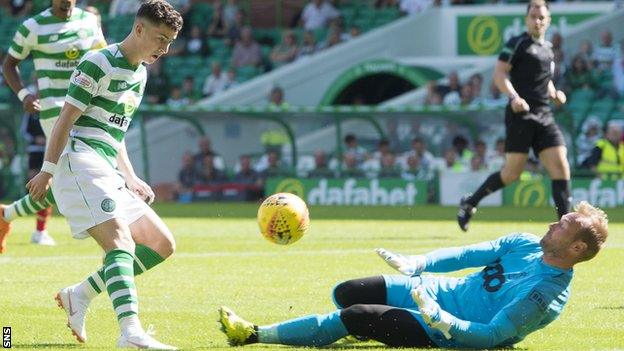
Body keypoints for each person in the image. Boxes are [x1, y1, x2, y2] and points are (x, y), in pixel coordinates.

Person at [219, 201, 608, 349]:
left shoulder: (546, 295)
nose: (552, 225)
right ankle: (352, 329)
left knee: (353, 316)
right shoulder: (526, 242)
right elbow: (468, 252)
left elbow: (493, 336)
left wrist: (441, 321)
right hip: (436, 290)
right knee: (348, 292)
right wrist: (420, 264)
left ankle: (252, 334)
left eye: (562, 226)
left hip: (444, 330)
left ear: (576, 249)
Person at [26, 1, 183, 348]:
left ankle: (78, 294)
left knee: (161, 244)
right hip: (79, 162)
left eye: (170, 42)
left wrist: (131, 176)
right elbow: (65, 120)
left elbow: (116, 131)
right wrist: (47, 171)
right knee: (121, 243)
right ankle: (130, 334)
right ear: (139, 29)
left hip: (106, 166)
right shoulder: (97, 63)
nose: (165, 49)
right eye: (160, 39)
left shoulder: (140, 73)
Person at [0, 0, 106, 252]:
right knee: (82, 172)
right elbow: (9, 65)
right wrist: (24, 94)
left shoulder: (89, 22)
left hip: (88, 110)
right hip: (53, 114)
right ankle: (111, 238)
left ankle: (6, 215)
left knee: (62, 180)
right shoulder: (33, 26)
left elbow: (103, 59)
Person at [458, 0, 569, 232]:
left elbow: (544, 82)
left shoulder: (548, 50)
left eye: (541, 17)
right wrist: (513, 97)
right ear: (526, 19)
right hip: (521, 114)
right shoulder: (517, 43)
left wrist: (555, 94)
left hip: (545, 115)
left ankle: (565, 228)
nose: (537, 21)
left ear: (548, 20)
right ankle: (470, 202)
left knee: (561, 167)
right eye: (533, 16)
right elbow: (499, 74)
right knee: (511, 174)